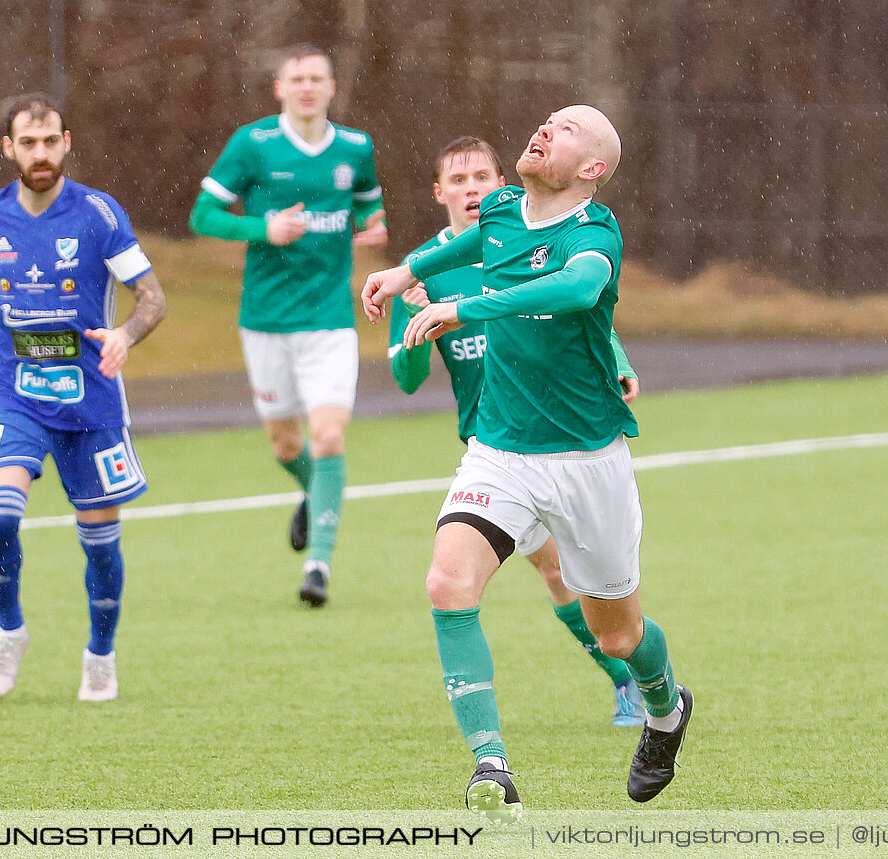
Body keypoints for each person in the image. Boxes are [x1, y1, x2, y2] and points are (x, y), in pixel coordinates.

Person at [363, 105, 690, 820]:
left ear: (593, 170)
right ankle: (491, 764)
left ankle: (666, 707)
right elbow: (475, 237)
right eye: (547, 121)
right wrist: (404, 270)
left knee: (619, 634)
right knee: (448, 582)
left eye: (567, 129)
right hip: (500, 451)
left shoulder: (594, 233)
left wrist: (469, 307)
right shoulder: (507, 207)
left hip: (587, 460)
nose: (545, 130)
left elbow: (576, 288)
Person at [0, 94, 166, 703]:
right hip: (15, 393)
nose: (40, 153)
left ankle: (100, 655)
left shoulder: (99, 215)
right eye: (28, 143)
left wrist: (126, 337)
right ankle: (10, 632)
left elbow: (152, 297)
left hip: (91, 401)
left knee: (100, 541)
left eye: (50, 141)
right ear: (8, 148)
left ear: (66, 142)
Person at [390, 135, 646, 730]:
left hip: (561, 439)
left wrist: (622, 362)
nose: (472, 188)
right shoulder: (425, 269)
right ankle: (621, 683)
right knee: (501, 578)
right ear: (440, 193)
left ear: (499, 181)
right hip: (495, 448)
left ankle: (629, 676)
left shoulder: (523, 240)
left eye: (482, 176)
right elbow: (405, 380)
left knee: (568, 581)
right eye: (459, 180)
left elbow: (583, 310)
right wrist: (414, 320)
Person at [189, 45, 386, 607]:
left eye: (316, 78)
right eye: (296, 78)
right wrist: (262, 229)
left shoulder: (355, 147)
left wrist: (375, 227)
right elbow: (201, 216)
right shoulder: (252, 144)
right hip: (266, 320)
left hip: (329, 319)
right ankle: (313, 493)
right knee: (285, 444)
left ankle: (318, 564)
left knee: (328, 436)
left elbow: (371, 207)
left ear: (331, 87)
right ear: (279, 88)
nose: (306, 87)